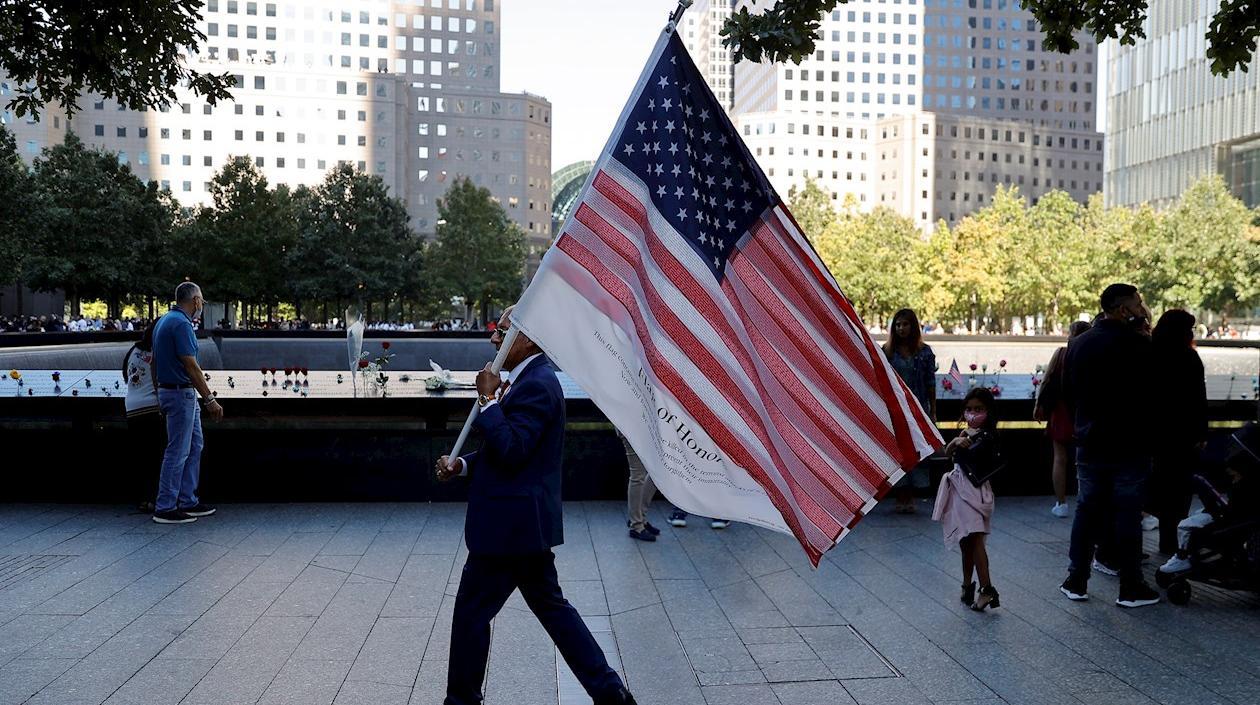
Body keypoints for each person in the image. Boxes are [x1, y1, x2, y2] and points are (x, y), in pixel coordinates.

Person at [435, 306, 637, 705]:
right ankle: (611, 693)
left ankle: (461, 702)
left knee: (473, 615)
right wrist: (462, 465)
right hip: (521, 526)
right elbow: (506, 451)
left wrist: (487, 400)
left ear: (526, 338)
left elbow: (513, 450)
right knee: (553, 611)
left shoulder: (538, 385)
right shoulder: (528, 380)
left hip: (509, 529)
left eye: (502, 331)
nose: (493, 338)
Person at [1059, 283, 1161, 608]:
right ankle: (1130, 585)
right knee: (1128, 513)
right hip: (1130, 443)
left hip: (1090, 441)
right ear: (1123, 309)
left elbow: (1068, 391)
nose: (1142, 309)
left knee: (1086, 510)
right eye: (1138, 304)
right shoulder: (1140, 345)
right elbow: (1154, 393)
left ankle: (1076, 579)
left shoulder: (1079, 344)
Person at [151, 282, 222, 525]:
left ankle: (187, 500)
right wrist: (210, 399)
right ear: (195, 300)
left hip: (171, 391)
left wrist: (158, 391)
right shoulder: (181, 324)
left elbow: (153, 361)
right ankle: (166, 507)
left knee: (194, 445)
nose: (202, 305)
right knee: (178, 451)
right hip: (181, 394)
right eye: (201, 300)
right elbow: (191, 366)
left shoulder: (164, 320)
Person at [933, 387, 1000, 611]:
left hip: (975, 492)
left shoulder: (989, 437)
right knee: (966, 541)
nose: (973, 414)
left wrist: (963, 443)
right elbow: (947, 453)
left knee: (975, 538)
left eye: (979, 409)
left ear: (988, 411)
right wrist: (955, 442)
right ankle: (967, 585)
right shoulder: (964, 434)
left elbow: (978, 458)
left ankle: (986, 589)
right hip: (960, 492)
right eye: (969, 409)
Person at [1149, 309, 1207, 555]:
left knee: (1159, 485)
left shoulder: (1149, 354)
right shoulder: (1189, 358)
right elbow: (1198, 398)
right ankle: (1172, 539)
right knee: (1179, 489)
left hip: (1155, 433)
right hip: (1183, 435)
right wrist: (1201, 432)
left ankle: (1164, 535)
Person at [1034, 320, 1091, 518]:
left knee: (1060, 458)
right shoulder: (1090, 354)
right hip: (1084, 412)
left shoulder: (1061, 354)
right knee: (1083, 460)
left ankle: (1061, 503)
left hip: (1060, 412)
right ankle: (1085, 499)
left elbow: (1047, 380)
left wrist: (1039, 405)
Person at [883, 308, 937, 513]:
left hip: (918, 408)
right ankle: (901, 494)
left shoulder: (925, 352)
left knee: (918, 450)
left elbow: (931, 383)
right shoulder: (887, 352)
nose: (901, 328)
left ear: (913, 326)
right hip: (896, 410)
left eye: (905, 324)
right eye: (897, 325)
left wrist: (932, 411)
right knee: (899, 452)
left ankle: (912, 495)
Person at [124, 322, 162, 512]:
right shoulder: (158, 352)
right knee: (155, 456)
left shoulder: (133, 350)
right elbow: (159, 379)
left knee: (140, 455)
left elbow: (125, 375)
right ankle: (154, 498)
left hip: (131, 406)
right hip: (152, 407)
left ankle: (141, 499)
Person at [622, 432, 661, 542]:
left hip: (646, 428)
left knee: (657, 471)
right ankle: (636, 525)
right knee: (637, 474)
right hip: (632, 428)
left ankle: (639, 518)